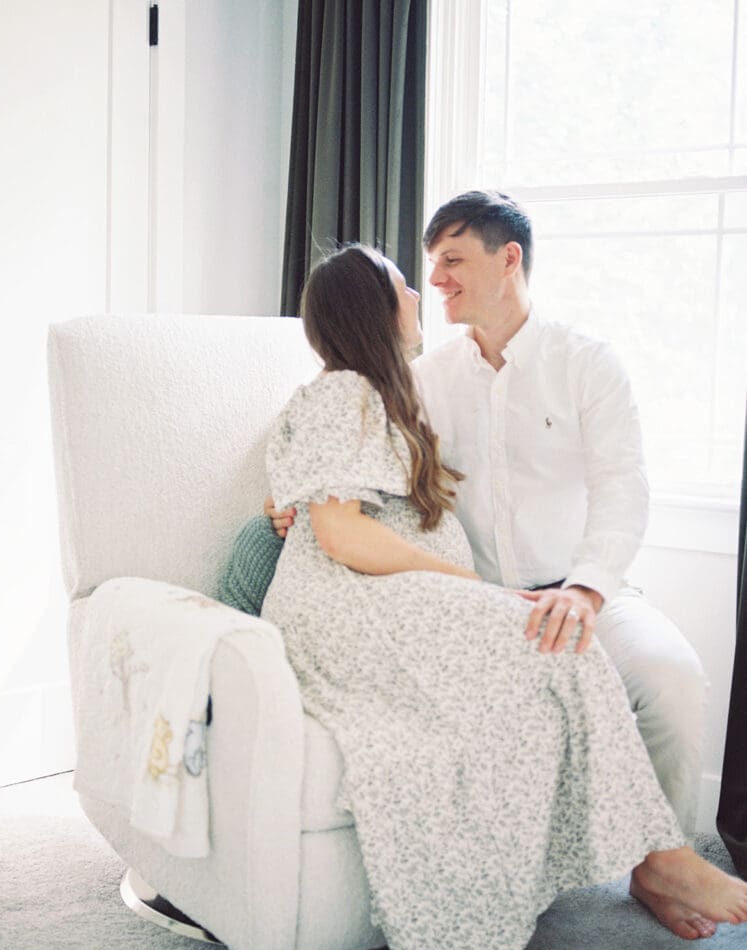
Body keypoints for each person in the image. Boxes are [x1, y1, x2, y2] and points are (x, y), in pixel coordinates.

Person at [260, 243, 747, 950]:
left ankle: (526, 904)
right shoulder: (345, 392)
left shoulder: (389, 389)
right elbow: (340, 533)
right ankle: (660, 857)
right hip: (351, 604)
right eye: (404, 284)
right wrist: (470, 588)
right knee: (556, 643)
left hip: (392, 597)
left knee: (548, 665)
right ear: (371, 309)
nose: (420, 293)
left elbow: (320, 494)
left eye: (441, 267)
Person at [269, 190, 708, 841]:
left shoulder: (586, 362)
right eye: (429, 264)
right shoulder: (419, 380)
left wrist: (586, 591)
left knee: (673, 681)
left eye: (452, 260)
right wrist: (288, 501)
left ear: (508, 259)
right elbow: (339, 447)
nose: (435, 280)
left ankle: (664, 861)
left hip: (584, 588)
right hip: (478, 602)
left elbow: (623, 488)